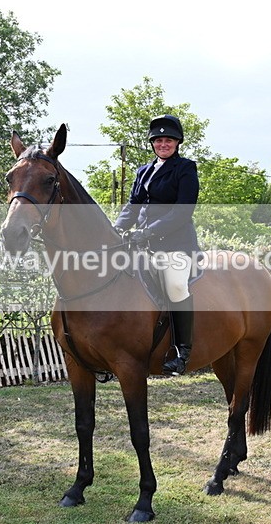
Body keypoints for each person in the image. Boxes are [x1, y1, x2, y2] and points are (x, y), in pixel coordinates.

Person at [114, 114, 200, 376]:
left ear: (177, 143)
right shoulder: (144, 171)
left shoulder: (185, 168)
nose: (163, 144)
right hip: (143, 244)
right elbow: (133, 206)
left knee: (175, 284)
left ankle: (181, 351)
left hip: (175, 244)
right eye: (159, 140)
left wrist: (148, 232)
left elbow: (182, 211)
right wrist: (117, 228)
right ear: (152, 143)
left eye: (169, 140)